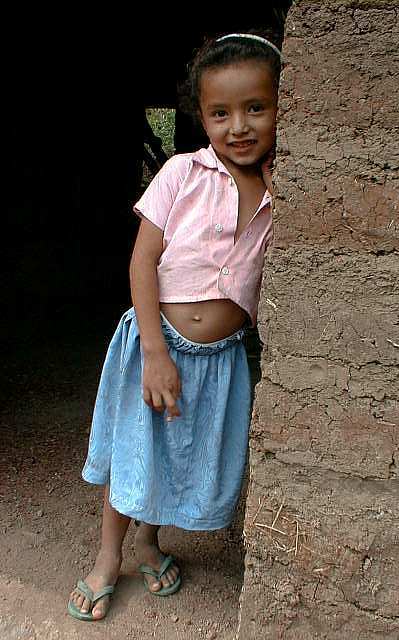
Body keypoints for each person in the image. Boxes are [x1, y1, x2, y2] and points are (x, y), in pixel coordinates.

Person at [67, 30, 282, 621]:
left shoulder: (281, 192)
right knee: (136, 451)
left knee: (177, 455)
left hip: (220, 361)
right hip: (156, 343)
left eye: (255, 108)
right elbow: (142, 261)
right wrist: (155, 353)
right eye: (220, 113)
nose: (238, 126)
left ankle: (149, 542)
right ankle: (108, 557)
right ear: (201, 116)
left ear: (281, 108)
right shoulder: (181, 173)